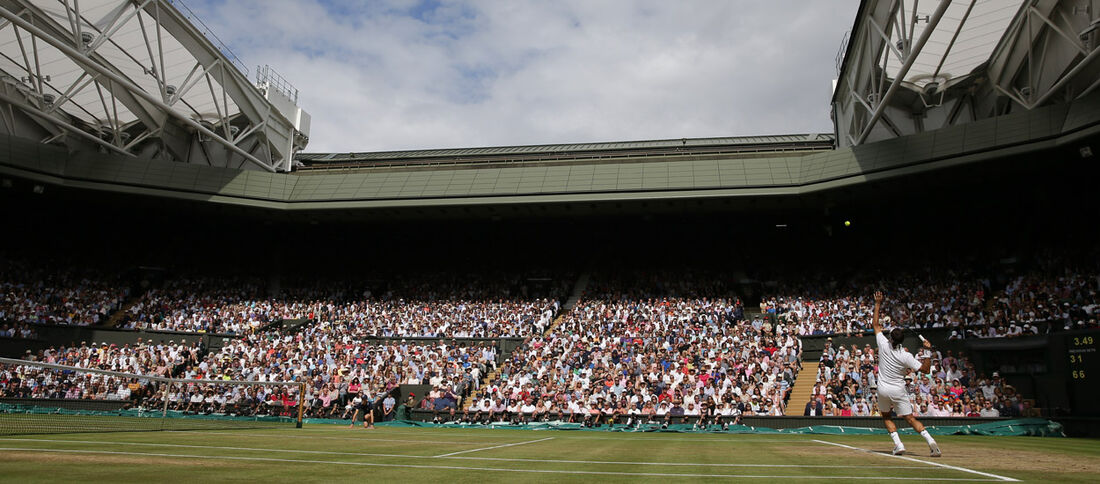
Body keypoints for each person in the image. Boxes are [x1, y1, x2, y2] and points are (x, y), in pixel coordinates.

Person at [872, 291, 941, 457]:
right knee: (910, 419)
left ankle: (898, 444)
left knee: (887, 416)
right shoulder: (906, 356)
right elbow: (925, 370)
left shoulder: (882, 343)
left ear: (890, 338)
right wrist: (927, 351)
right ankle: (931, 442)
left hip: (883, 389)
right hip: (898, 390)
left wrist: (878, 303)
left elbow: (875, 324)